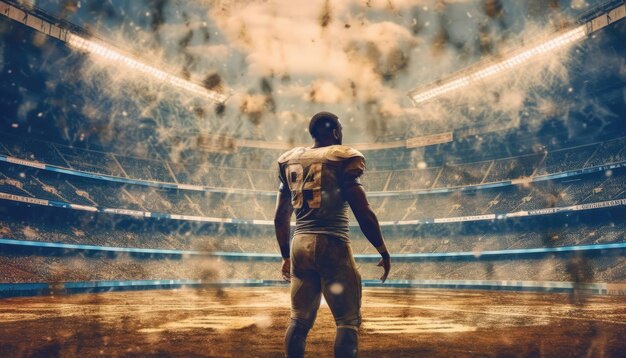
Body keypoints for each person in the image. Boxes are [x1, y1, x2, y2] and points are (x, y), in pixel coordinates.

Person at [274, 111, 391, 358]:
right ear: (336, 132)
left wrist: (286, 256)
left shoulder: (290, 160)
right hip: (332, 241)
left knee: (299, 320)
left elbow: (280, 217)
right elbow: (363, 210)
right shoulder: (341, 158)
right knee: (347, 321)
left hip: (299, 243)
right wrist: (381, 248)